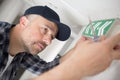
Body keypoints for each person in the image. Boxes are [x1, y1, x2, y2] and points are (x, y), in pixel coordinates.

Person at [0, 5, 120, 80]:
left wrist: (76, 48)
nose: (48, 41)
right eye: (45, 30)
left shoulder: (22, 53)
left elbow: (45, 69)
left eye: (52, 37)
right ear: (24, 22)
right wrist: (78, 68)